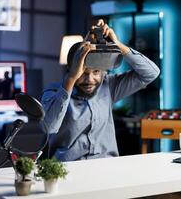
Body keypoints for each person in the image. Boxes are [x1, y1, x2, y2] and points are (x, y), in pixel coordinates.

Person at [40, 19, 160, 161]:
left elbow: (151, 73)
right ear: (71, 70)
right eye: (83, 73)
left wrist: (118, 45)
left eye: (96, 72)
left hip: (107, 167)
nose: (90, 79)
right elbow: (49, 127)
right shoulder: (53, 92)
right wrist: (71, 79)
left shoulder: (108, 86)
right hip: (69, 170)